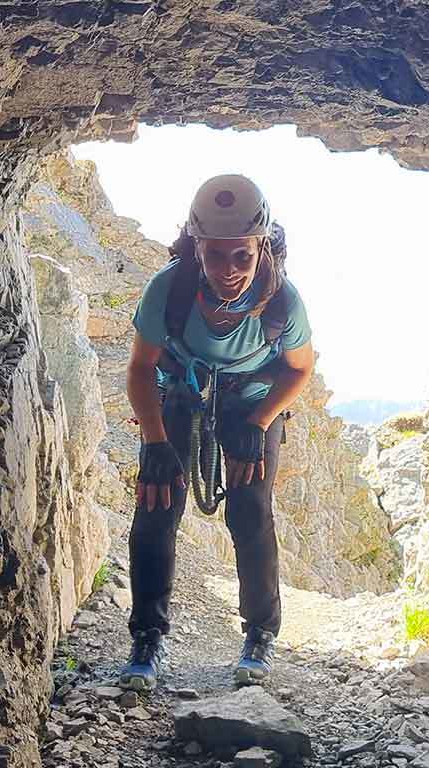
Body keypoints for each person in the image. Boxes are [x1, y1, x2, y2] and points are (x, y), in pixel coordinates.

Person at [119, 174, 316, 691]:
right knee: (156, 507)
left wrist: (259, 423)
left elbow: (298, 370)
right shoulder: (170, 289)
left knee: (250, 509)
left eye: (242, 257)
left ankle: (259, 636)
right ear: (196, 248)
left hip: (251, 401)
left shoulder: (282, 301)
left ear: (261, 248)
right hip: (182, 394)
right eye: (214, 256)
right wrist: (156, 442)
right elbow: (141, 368)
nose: (228, 270)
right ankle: (147, 638)